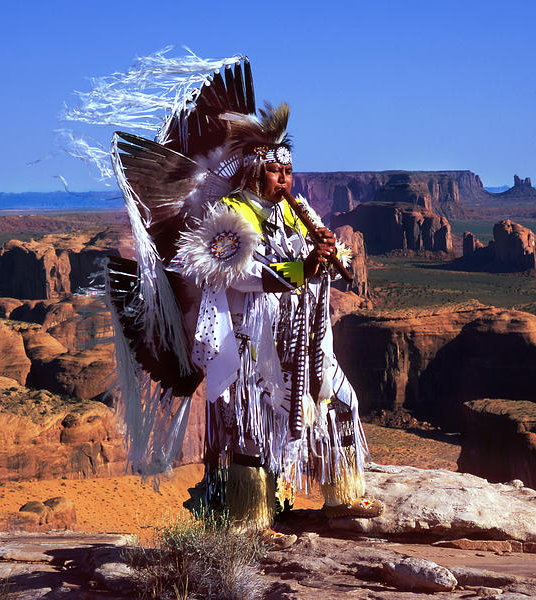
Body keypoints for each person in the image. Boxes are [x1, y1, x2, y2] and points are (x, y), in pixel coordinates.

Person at [105, 57, 381, 545]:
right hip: (252, 347)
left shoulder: (295, 214)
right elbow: (240, 271)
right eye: (275, 172)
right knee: (251, 430)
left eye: (289, 172)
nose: (285, 181)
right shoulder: (228, 212)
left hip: (304, 344)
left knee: (338, 401)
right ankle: (250, 518)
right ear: (255, 172)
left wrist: (331, 252)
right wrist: (302, 268)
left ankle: (342, 494)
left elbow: (322, 257)